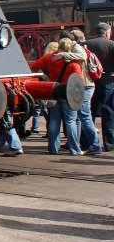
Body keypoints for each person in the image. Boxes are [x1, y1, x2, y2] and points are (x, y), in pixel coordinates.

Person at [31, 38, 82, 155]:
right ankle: (75, 149)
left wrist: (45, 78)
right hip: (68, 93)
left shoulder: (49, 57)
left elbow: (34, 66)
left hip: (53, 91)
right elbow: (78, 79)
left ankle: (53, 148)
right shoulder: (73, 61)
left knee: (54, 120)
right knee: (70, 121)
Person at [57, 29, 102, 155]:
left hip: (86, 85)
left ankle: (96, 145)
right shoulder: (75, 47)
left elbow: (82, 56)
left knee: (84, 116)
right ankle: (85, 144)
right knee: (80, 116)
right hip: (82, 85)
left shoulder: (76, 47)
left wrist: (64, 55)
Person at [86, 22, 114, 152]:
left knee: (88, 112)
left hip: (90, 81)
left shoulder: (86, 44)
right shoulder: (111, 44)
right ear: (107, 33)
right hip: (108, 80)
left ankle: (86, 142)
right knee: (108, 111)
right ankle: (109, 144)